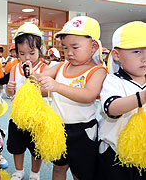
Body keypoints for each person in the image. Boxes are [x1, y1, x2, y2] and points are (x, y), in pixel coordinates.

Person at [39, 16, 107, 180]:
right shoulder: (60, 67)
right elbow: (39, 80)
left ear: (93, 46)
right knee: (58, 168)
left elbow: (88, 95)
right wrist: (30, 76)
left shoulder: (98, 71)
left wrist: (56, 86)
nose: (68, 53)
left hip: (83, 131)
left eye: (75, 47)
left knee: (81, 173)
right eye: (65, 48)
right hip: (58, 129)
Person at [98, 21, 146, 180]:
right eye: (137, 51)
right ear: (117, 55)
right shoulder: (113, 81)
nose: (144, 58)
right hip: (115, 153)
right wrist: (142, 97)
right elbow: (111, 108)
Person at [6, 23, 48, 180]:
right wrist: (10, 88)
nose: (27, 57)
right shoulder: (14, 68)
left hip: (37, 117)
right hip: (17, 115)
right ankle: (19, 170)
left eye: (32, 52)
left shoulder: (45, 68)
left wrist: (34, 83)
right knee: (17, 146)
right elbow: (10, 92)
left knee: (37, 148)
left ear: (39, 50)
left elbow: (47, 91)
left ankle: (35, 173)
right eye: (22, 53)